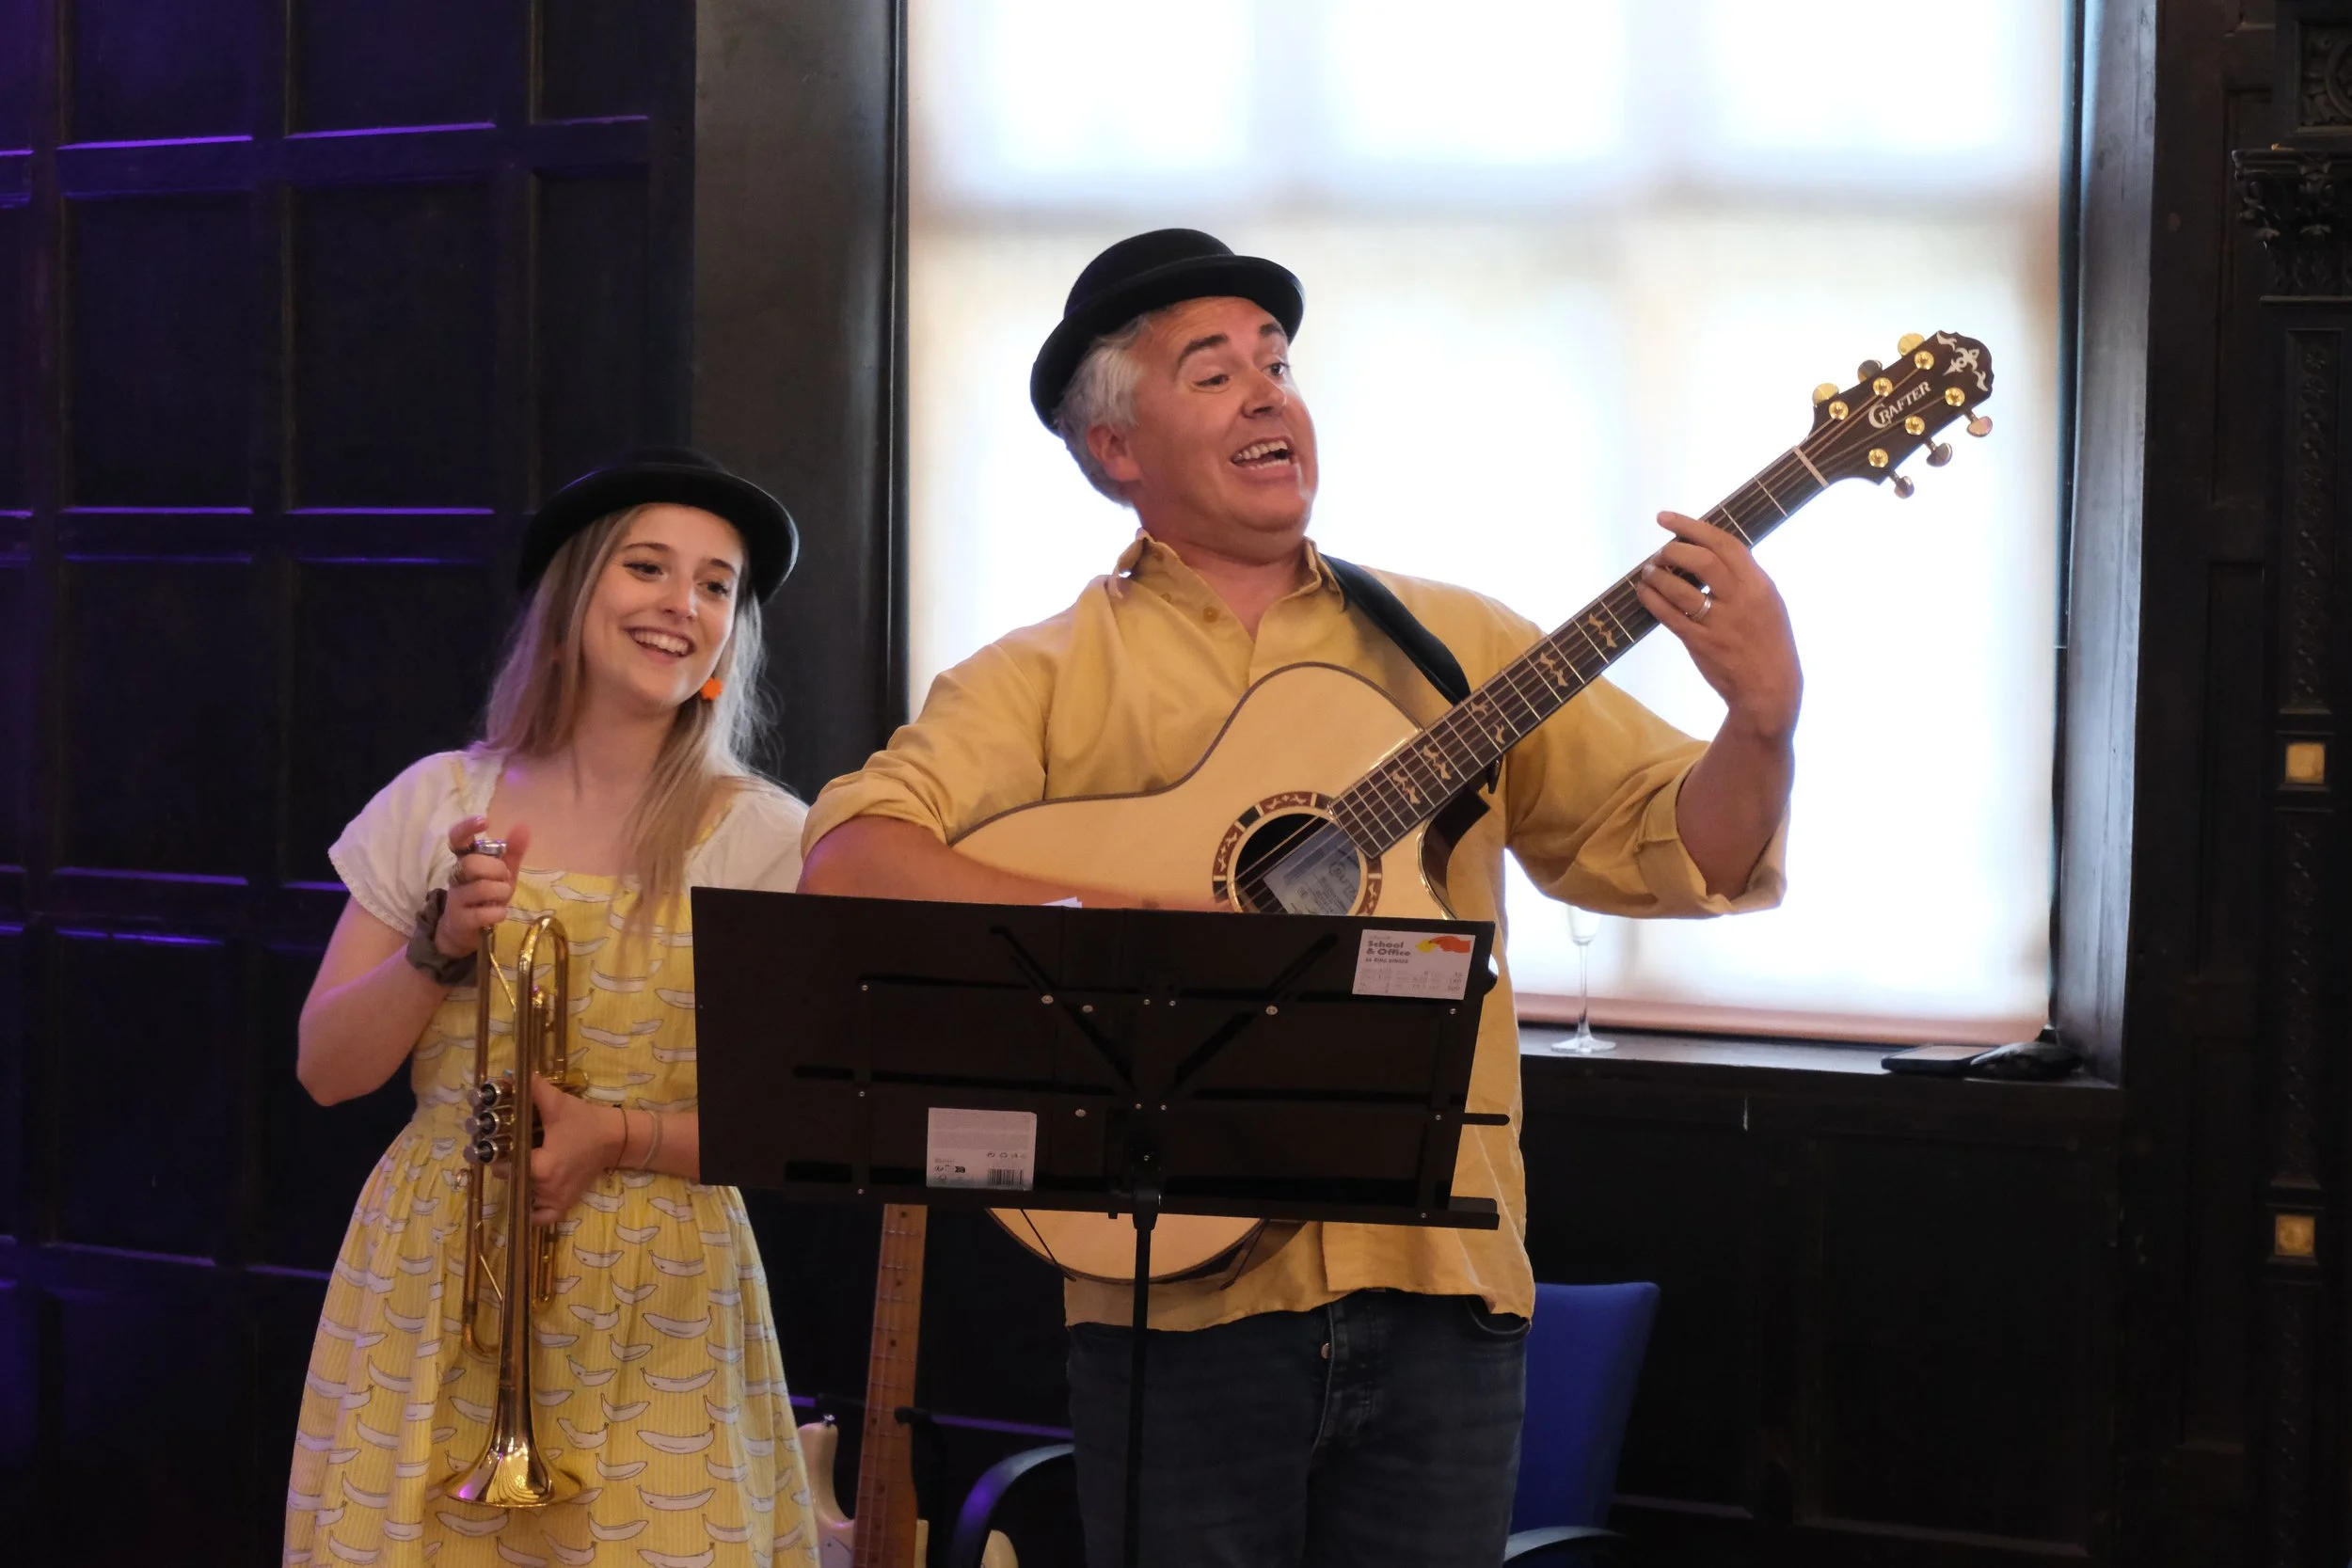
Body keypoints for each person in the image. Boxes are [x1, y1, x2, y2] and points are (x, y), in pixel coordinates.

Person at [797, 230, 1800, 1566]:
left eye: (1277, 364)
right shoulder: (1037, 679)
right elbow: (853, 856)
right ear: (1115, 448)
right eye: (1212, 373)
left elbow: (1678, 850)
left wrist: (1763, 719)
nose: (1268, 394)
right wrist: (1124, 931)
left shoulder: (1458, 647)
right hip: (1172, 1305)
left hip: (1443, 1277)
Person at [284, 450, 821, 1567]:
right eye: (647, 567)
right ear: (573, 598)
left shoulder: (770, 837)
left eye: (715, 585)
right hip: (438, 1267)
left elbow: (802, 1124)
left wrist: (617, 1135)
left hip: (664, 1290)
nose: (682, 604)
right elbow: (328, 1070)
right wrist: (437, 946)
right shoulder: (438, 797)